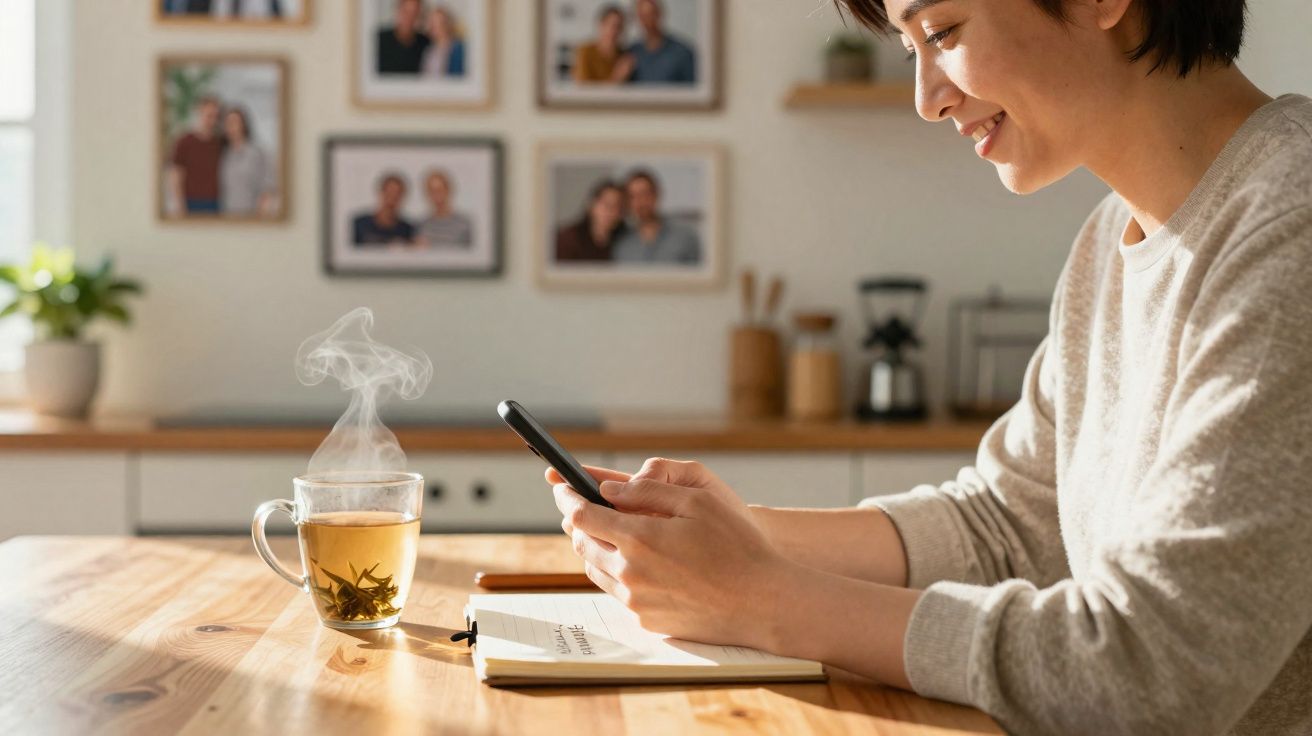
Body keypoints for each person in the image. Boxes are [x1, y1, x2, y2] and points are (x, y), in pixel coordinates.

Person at [547, 1, 1312, 734]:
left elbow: (1156, 673)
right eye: (912, 50)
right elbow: (1008, 525)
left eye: (943, 30)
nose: (926, 99)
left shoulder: (1292, 230)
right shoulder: (1112, 239)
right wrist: (735, 536)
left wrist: (763, 597)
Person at [611, 170, 700, 264]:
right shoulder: (621, 243)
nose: (639, 202)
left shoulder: (686, 236)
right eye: (633, 196)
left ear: (657, 195)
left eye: (644, 194)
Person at [168, 95, 222, 215]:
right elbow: (175, 175)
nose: (212, 121)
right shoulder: (184, 141)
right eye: (209, 115)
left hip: (216, 204)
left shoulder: (219, 143)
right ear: (199, 112)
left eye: (216, 117)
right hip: (190, 203)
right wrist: (180, 206)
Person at [218, 106, 276, 217]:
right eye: (228, 123)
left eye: (235, 122)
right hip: (227, 216)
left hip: (253, 215)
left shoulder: (257, 153)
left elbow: (267, 187)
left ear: (244, 124)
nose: (231, 127)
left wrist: (261, 213)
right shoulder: (225, 154)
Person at [555, 180, 627, 262]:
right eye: (606, 204)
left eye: (617, 206)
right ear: (591, 205)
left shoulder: (622, 243)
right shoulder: (566, 240)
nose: (610, 211)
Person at [626, 0, 696, 84]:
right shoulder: (631, 53)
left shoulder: (682, 53)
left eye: (651, 15)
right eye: (642, 16)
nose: (647, 21)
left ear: (660, 14)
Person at [572, 5, 636, 84]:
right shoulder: (585, 52)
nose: (615, 31)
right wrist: (617, 77)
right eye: (612, 25)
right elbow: (583, 90)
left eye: (619, 27)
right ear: (601, 25)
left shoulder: (623, 56)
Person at [415, 169, 473, 247]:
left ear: (449, 190)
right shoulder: (421, 226)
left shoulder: (464, 224)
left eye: (439, 190)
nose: (436, 195)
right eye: (431, 191)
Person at [352, 173, 414, 245]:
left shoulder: (407, 230)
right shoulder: (359, 224)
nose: (392, 199)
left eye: (397, 194)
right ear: (380, 193)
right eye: (389, 193)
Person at [377, 0, 430, 75]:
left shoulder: (426, 43)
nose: (410, 18)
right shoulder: (379, 40)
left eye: (415, 13)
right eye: (406, 12)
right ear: (397, 11)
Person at [420, 5, 466, 78]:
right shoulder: (429, 50)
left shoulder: (457, 49)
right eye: (432, 23)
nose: (433, 27)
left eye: (438, 23)